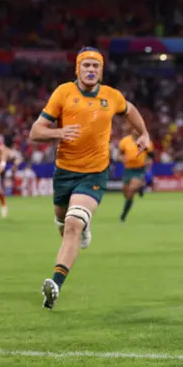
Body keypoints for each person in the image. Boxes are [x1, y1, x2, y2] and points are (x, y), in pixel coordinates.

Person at [29, 47, 151, 310]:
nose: (91, 70)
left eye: (96, 66)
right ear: (78, 69)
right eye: (86, 65)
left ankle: (55, 285)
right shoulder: (63, 93)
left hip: (94, 172)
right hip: (64, 172)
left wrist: (144, 133)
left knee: (73, 223)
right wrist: (59, 132)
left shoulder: (111, 96)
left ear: (101, 70)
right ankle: (82, 225)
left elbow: (130, 110)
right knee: (64, 224)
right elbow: (35, 131)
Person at [118, 126, 154, 222]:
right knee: (126, 193)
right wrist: (121, 158)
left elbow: (151, 156)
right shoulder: (124, 141)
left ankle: (123, 216)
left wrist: (149, 162)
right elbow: (120, 154)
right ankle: (140, 187)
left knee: (131, 190)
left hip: (139, 169)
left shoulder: (146, 142)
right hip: (128, 169)